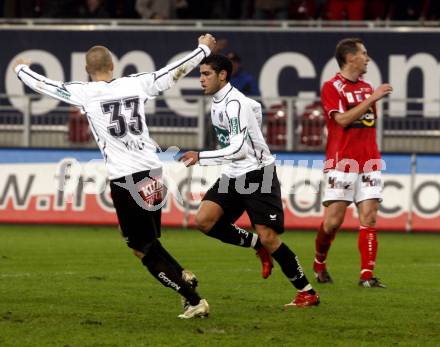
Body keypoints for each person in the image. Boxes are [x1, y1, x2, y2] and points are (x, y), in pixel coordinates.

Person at [13, 34, 216, 318]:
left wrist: (21, 69)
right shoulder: (135, 82)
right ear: (113, 65)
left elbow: (45, 86)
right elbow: (175, 71)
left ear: (87, 70)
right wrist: (203, 49)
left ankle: (192, 299)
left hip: (127, 178)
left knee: (142, 249)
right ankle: (183, 275)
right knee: (143, 241)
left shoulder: (84, 92)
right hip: (152, 172)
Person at [179, 54, 319, 308]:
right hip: (234, 173)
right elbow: (254, 108)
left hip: (257, 173)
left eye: (206, 74)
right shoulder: (222, 101)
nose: (201, 79)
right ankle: (257, 246)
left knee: (269, 236)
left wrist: (201, 156)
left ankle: (307, 292)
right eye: (200, 74)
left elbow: (239, 150)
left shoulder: (234, 104)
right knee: (204, 221)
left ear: (222, 75)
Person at [314, 37, 393, 288]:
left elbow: (367, 124)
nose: (367, 58)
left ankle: (367, 276)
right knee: (333, 222)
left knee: (369, 218)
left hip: (369, 160)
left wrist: (371, 97)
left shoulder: (367, 87)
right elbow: (342, 120)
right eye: (364, 53)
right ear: (350, 58)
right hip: (342, 162)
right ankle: (319, 262)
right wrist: (372, 99)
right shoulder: (331, 87)